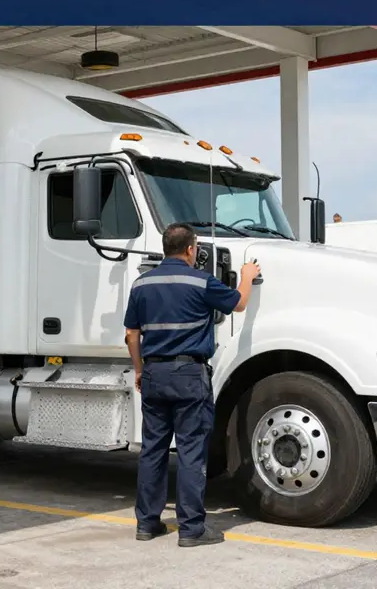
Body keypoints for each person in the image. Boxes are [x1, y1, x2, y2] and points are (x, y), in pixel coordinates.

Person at [123, 223, 261, 547]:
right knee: (189, 452)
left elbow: (131, 335)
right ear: (190, 249)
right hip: (188, 376)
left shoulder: (141, 284)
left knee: (153, 451)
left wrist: (140, 370)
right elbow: (238, 304)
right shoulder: (201, 281)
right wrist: (247, 274)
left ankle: (146, 524)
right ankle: (191, 529)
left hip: (154, 375)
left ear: (165, 247)